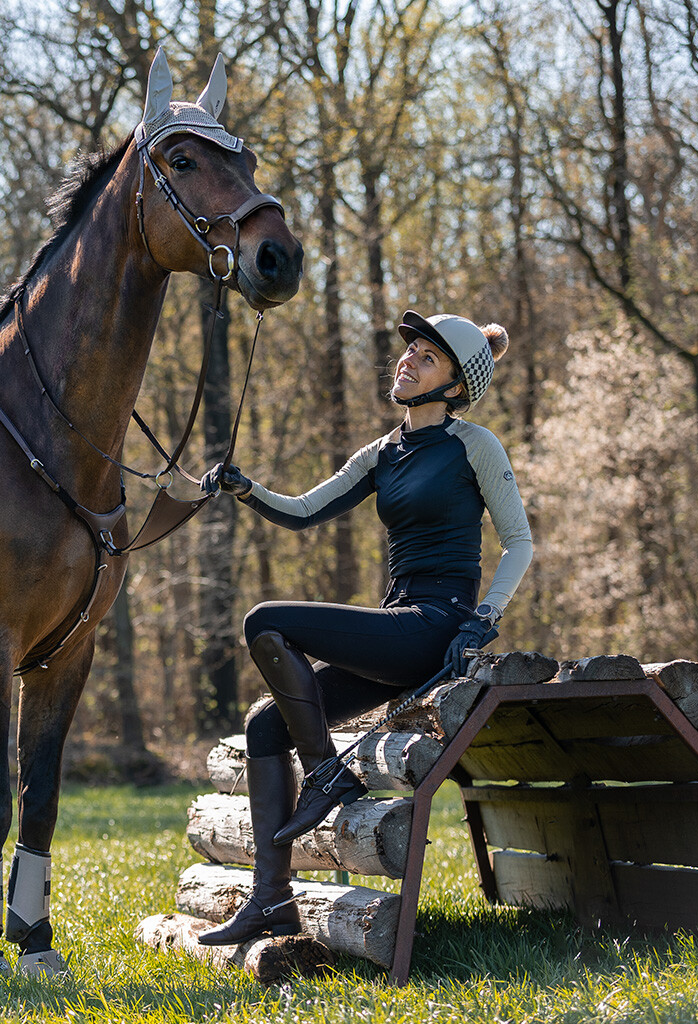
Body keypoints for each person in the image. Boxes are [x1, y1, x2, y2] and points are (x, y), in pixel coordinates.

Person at [195, 310, 533, 946]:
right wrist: (246, 489)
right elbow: (301, 513)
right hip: (396, 624)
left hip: (440, 627)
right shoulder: (382, 454)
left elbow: (518, 542)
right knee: (266, 725)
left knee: (264, 622)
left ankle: (325, 771)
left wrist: (484, 618)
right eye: (409, 352)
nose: (406, 361)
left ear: (455, 385)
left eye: (427, 357)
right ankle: (272, 901)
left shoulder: (475, 445)